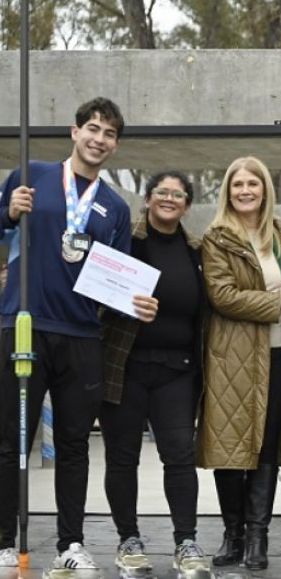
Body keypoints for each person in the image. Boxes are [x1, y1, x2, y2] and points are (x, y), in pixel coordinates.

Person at [0, 97, 157, 570]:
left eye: (109, 134)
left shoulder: (113, 205)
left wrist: (137, 302)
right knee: (11, 441)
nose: (99, 140)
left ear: (115, 145)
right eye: (93, 129)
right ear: (74, 131)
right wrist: (8, 212)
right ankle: (6, 539)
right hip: (22, 326)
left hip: (82, 336)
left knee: (74, 444)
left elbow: (118, 280)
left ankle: (71, 543)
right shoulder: (32, 174)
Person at [198, 156, 281, 571]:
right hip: (233, 356)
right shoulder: (217, 238)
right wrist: (276, 298)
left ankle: (258, 537)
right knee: (229, 448)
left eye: (253, 184)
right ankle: (234, 534)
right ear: (227, 191)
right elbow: (221, 295)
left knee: (264, 447)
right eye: (237, 185)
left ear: (265, 189)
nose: (245, 191)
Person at [100, 171, 207, 574]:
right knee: (122, 457)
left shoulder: (196, 249)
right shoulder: (123, 240)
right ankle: (129, 541)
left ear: (187, 205)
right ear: (147, 199)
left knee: (179, 456)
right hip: (123, 367)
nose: (169, 199)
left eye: (178, 194)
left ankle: (187, 543)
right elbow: (94, 291)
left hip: (178, 371)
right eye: (161, 192)